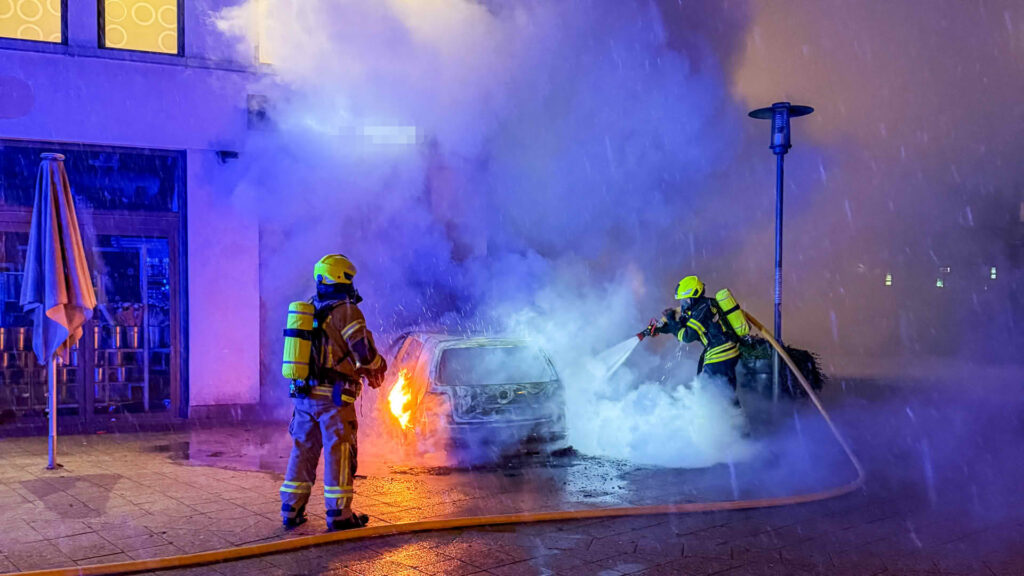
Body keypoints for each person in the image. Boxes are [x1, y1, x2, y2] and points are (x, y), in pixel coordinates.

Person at [280, 254, 388, 531]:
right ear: (343, 278)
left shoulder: (309, 309)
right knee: (339, 452)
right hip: (334, 399)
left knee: (302, 450)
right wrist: (379, 365)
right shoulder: (347, 311)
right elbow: (364, 354)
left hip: (304, 396)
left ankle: (291, 509)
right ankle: (339, 515)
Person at [642, 275, 742, 392]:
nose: (683, 304)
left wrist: (671, 320)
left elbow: (687, 337)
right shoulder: (697, 310)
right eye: (682, 301)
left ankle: (724, 409)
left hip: (720, 353)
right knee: (721, 393)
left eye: (686, 300)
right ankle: (730, 409)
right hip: (721, 352)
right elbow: (680, 328)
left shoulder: (703, 308)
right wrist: (658, 329)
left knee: (714, 393)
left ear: (695, 296)